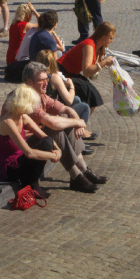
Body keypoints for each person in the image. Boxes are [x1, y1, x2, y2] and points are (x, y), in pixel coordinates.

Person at [22, 60, 105, 192]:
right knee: (56, 127)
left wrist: (77, 121)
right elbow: (53, 123)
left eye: (46, 79)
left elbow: (67, 108)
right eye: (41, 80)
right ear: (30, 82)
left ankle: (82, 170)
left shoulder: (40, 95)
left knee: (66, 118)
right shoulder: (26, 98)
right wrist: (79, 122)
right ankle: (76, 175)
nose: (46, 83)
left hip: (36, 140)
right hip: (22, 147)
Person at [0, 86, 60, 196]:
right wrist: (53, 156)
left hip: (20, 160)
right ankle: (32, 184)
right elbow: (29, 153)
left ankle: (32, 183)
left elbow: (44, 136)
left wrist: (58, 150)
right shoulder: (8, 122)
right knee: (46, 144)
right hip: (10, 168)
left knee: (47, 141)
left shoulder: (22, 116)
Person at [57, 21, 115, 110]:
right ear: (103, 37)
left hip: (69, 72)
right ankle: (80, 121)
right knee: (93, 96)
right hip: (62, 72)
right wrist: (104, 62)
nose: (112, 41)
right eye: (110, 38)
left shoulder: (98, 46)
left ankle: (78, 120)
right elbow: (86, 72)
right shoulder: (89, 45)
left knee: (91, 96)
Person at [4, 2, 38, 82]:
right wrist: (35, 11)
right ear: (28, 15)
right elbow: (45, 24)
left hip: (10, 58)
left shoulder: (13, 24)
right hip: (18, 59)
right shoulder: (25, 25)